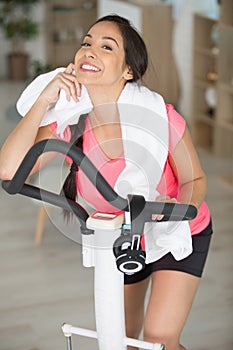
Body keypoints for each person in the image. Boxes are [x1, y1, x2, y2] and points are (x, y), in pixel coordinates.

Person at [0, 15, 213, 350]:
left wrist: (176, 209)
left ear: (128, 70)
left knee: (159, 339)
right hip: (123, 236)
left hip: (178, 230)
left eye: (106, 46)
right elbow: (10, 172)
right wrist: (43, 100)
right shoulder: (71, 121)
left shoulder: (158, 117)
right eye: (86, 42)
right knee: (122, 339)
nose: (90, 50)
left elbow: (195, 179)